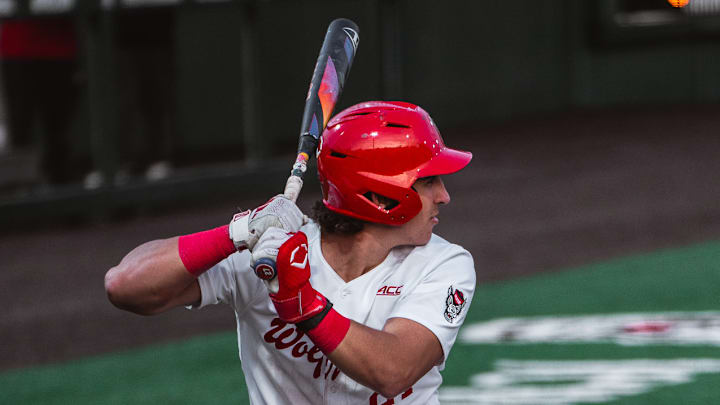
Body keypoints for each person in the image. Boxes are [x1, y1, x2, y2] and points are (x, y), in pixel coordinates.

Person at [105, 101, 475, 404]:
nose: (444, 196)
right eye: (428, 182)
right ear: (381, 195)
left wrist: (304, 303)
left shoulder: (444, 265)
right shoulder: (272, 248)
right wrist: (237, 232)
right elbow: (125, 286)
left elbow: (394, 371)